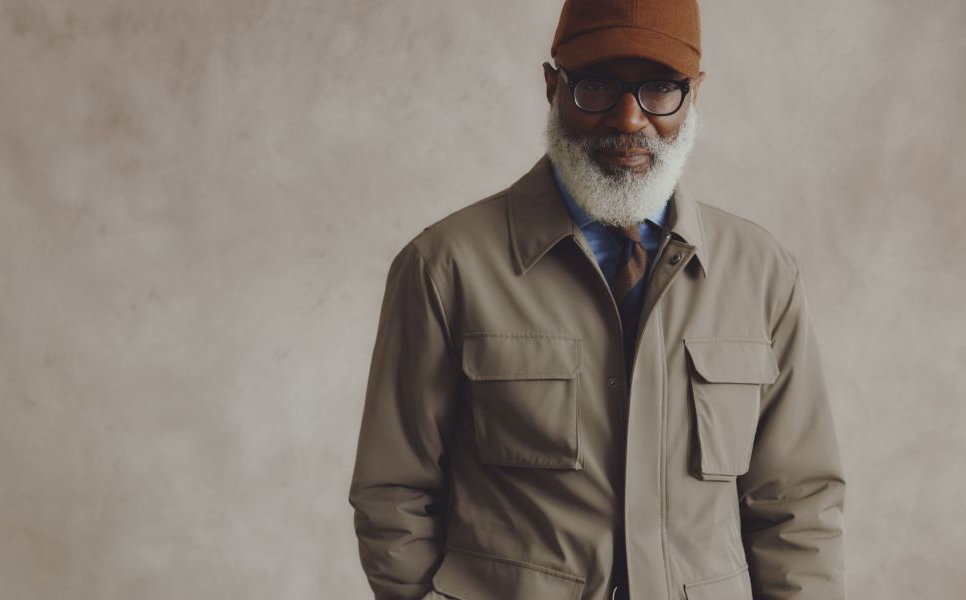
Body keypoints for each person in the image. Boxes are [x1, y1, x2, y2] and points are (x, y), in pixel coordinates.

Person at [346, 0, 846, 598]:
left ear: (694, 94)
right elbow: (394, 491)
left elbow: (799, 506)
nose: (630, 120)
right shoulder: (444, 266)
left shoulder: (763, 272)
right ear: (553, 86)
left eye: (660, 88)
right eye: (599, 86)